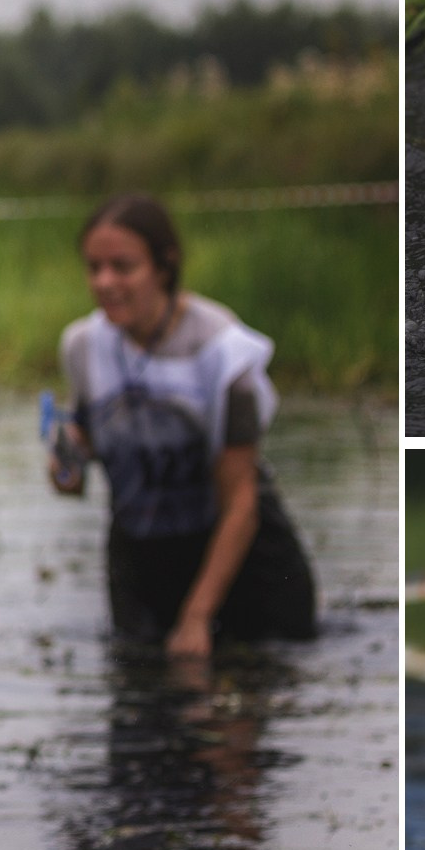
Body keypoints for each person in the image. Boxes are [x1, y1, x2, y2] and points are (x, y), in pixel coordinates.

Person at [51, 195, 315, 658]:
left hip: (242, 561)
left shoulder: (222, 351)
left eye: (122, 266)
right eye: (94, 268)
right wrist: (66, 463)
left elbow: (241, 502)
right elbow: (79, 459)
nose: (105, 282)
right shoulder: (81, 345)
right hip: (140, 554)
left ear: (165, 265)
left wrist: (196, 618)